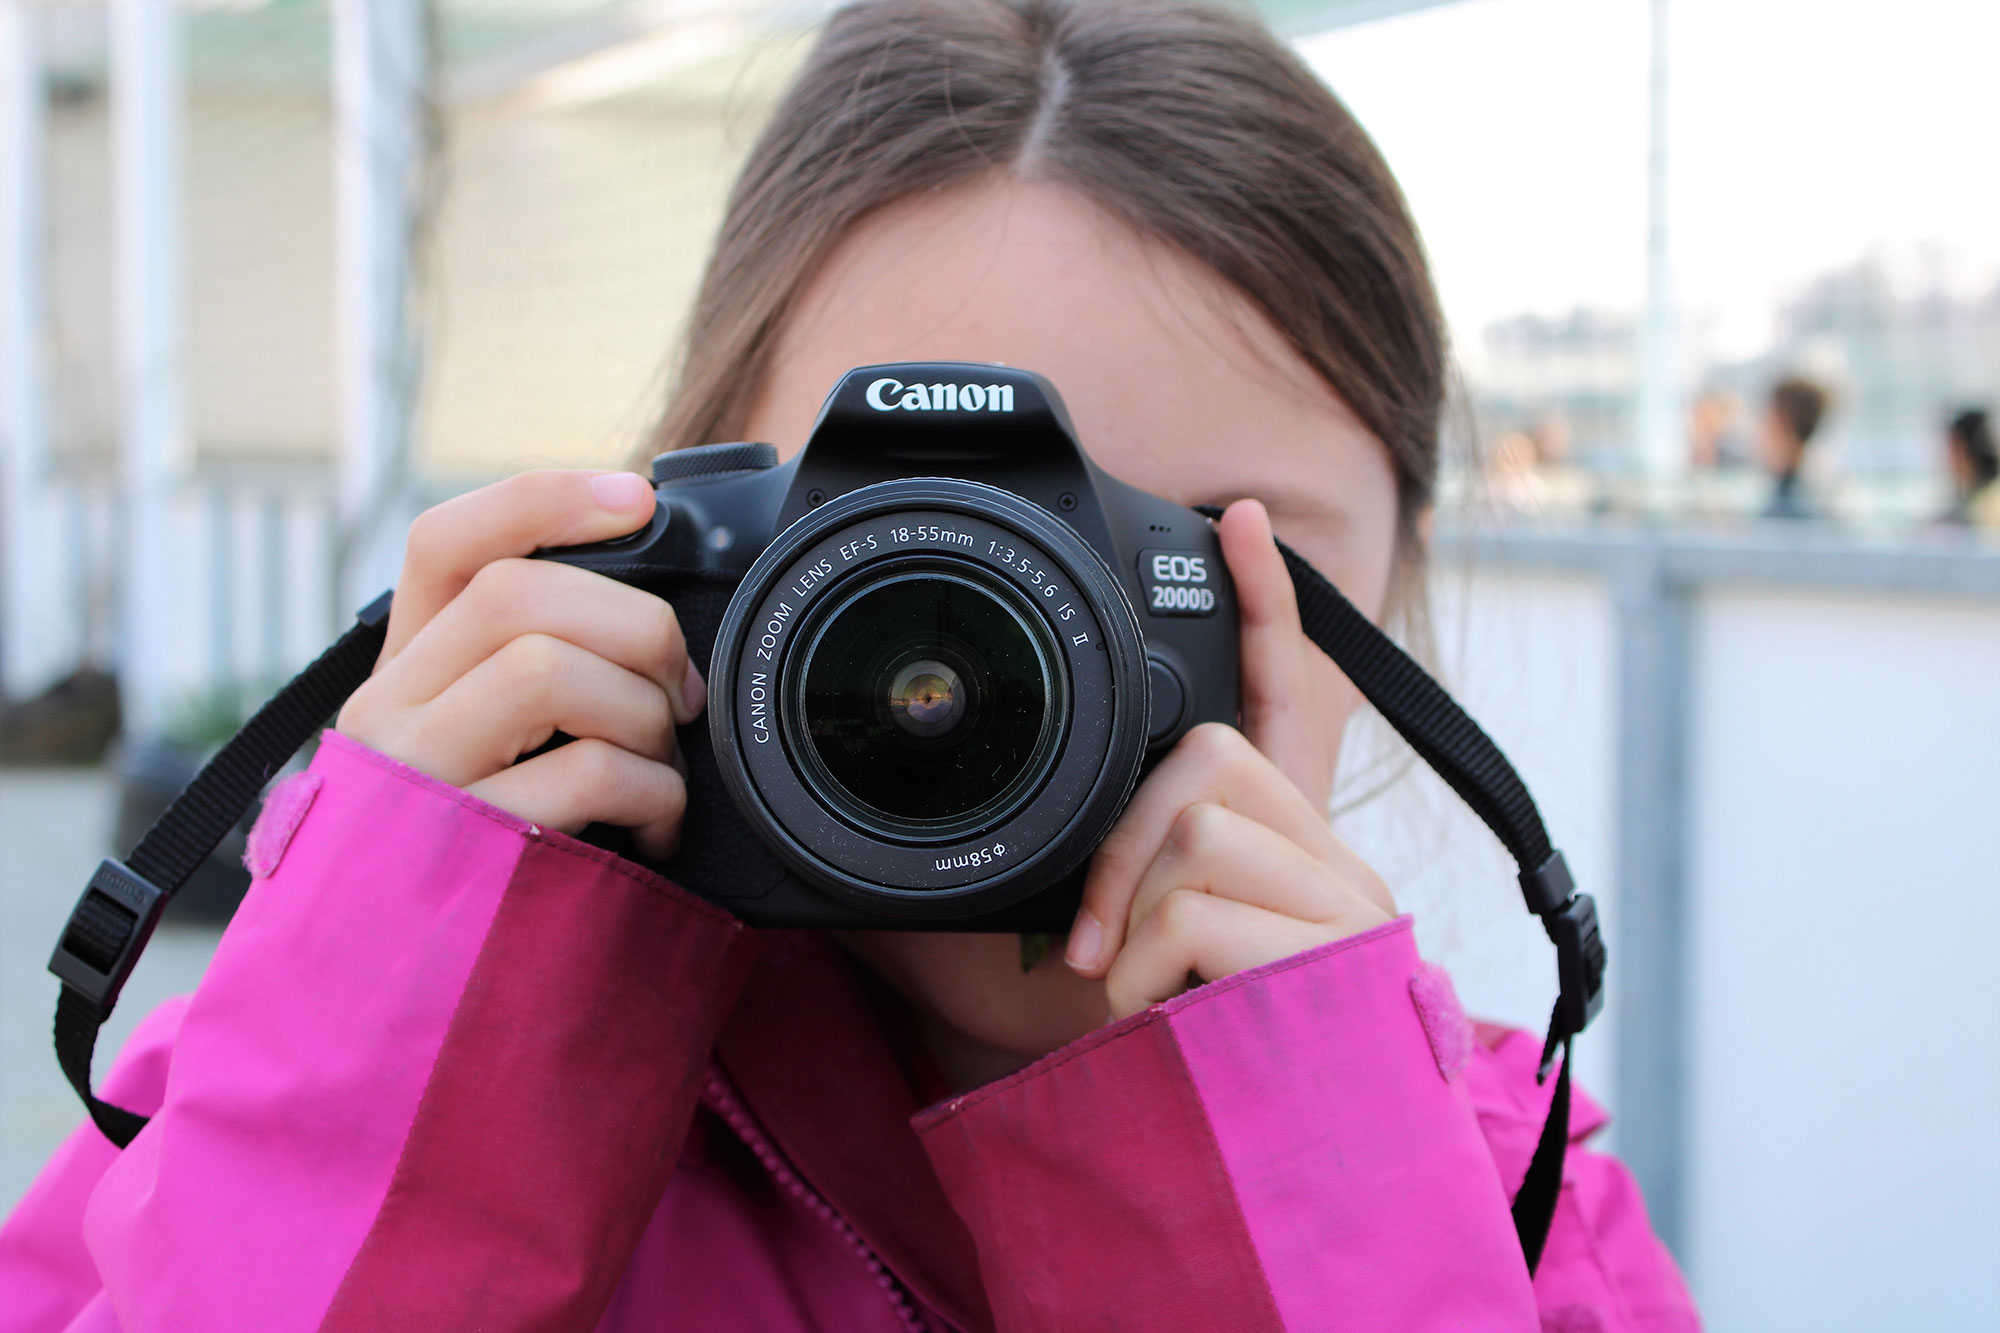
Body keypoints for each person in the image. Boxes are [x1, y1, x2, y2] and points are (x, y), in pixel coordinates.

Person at [0, 3, 1699, 1329]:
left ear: (1392, 599)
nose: (1048, 647)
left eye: (1196, 539)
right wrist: (401, 991)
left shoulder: (1513, 1210)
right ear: (681, 524)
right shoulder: (332, 1066)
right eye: (923, 528)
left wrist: (1303, 1188)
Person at [1755, 374, 1831, 520]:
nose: (1760, 435)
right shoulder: (1789, 489)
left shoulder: (1800, 503)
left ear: (1782, 425)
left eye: (1766, 423)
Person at [1936, 407, 1998, 530]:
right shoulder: (1969, 495)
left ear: (1963, 450)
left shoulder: (1988, 505)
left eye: (1951, 448)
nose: (1945, 457)